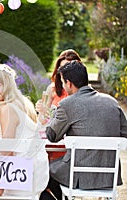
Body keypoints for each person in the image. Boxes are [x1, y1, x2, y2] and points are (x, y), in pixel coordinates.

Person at [40, 60, 127, 200]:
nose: (62, 85)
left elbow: (51, 136)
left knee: (42, 171)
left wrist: (54, 113)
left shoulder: (66, 104)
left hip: (77, 176)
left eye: (62, 82)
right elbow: (124, 134)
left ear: (69, 83)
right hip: (108, 177)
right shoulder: (112, 102)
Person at [0, 64, 49, 197]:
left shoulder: (7, 109)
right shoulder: (21, 103)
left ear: (7, 86)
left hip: (22, 174)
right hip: (34, 170)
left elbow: (6, 151)